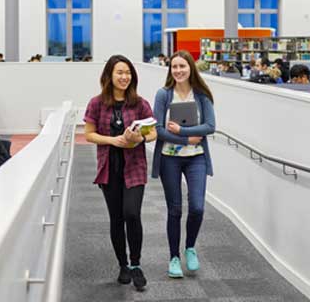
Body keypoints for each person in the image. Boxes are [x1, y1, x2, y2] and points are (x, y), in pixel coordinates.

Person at [83, 55, 156, 291]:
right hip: (109, 168)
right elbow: (89, 134)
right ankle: (122, 265)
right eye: (120, 73)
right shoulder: (96, 103)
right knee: (117, 218)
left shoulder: (140, 103)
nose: (124, 77)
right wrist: (113, 140)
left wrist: (139, 138)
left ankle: (136, 264)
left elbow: (153, 133)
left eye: (128, 73)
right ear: (109, 76)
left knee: (132, 214)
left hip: (134, 167)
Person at [151, 50, 215, 279]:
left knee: (197, 207)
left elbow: (210, 126)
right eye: (174, 67)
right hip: (170, 158)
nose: (178, 70)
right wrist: (185, 138)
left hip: (196, 157)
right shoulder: (163, 95)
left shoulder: (202, 95)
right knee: (175, 209)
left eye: (182, 66)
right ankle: (173, 257)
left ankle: (189, 247)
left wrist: (183, 130)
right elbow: (158, 129)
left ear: (191, 68)